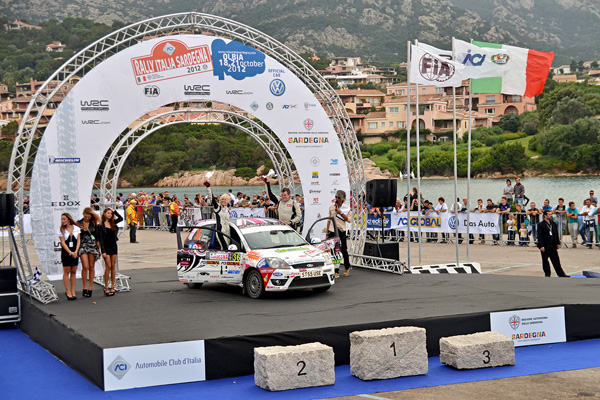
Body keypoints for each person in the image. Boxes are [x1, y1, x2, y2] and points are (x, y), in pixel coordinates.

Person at [99, 207, 123, 296]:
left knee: (113, 266)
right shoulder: (100, 225)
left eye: (111, 213)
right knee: (108, 266)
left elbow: (121, 218)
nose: (110, 215)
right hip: (106, 247)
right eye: (108, 213)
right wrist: (103, 251)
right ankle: (106, 286)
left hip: (113, 246)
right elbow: (101, 239)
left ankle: (112, 286)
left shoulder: (113, 223)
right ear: (104, 214)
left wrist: (114, 211)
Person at [326, 190, 351, 278]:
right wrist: (327, 232)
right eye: (336, 197)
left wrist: (340, 212)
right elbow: (329, 220)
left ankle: (347, 266)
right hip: (332, 230)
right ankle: (336, 270)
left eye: (338, 198)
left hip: (341, 230)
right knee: (333, 250)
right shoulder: (331, 207)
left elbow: (349, 220)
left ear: (342, 199)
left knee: (343, 249)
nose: (336, 199)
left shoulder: (346, 208)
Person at [537, 210, 568, 278]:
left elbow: (556, 233)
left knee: (556, 260)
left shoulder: (553, 223)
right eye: (549, 214)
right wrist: (541, 245)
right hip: (545, 245)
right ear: (545, 215)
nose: (551, 216)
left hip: (553, 245)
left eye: (551, 214)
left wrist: (558, 243)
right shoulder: (541, 225)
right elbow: (539, 236)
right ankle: (547, 274)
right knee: (545, 260)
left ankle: (561, 274)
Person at [77, 207, 101, 298]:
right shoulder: (78, 223)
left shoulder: (94, 224)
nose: (87, 218)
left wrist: (98, 249)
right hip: (82, 245)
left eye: (88, 217)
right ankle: (84, 287)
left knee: (91, 267)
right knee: (85, 266)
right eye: (85, 216)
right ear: (83, 214)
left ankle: (90, 288)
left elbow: (97, 237)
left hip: (92, 245)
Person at [58, 213, 80, 300]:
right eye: (61, 219)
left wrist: (76, 251)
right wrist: (70, 252)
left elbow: (78, 241)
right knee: (66, 271)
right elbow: (63, 243)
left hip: (75, 252)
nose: (62, 221)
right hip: (66, 252)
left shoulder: (76, 228)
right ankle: (68, 291)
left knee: (73, 271)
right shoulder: (61, 230)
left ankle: (73, 290)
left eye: (64, 219)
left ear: (69, 219)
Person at [204, 181, 231, 249]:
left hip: (227, 230)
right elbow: (212, 199)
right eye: (222, 199)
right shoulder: (217, 207)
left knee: (229, 247)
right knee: (224, 247)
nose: (223, 201)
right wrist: (208, 187)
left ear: (228, 201)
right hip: (220, 230)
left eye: (225, 199)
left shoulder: (227, 209)